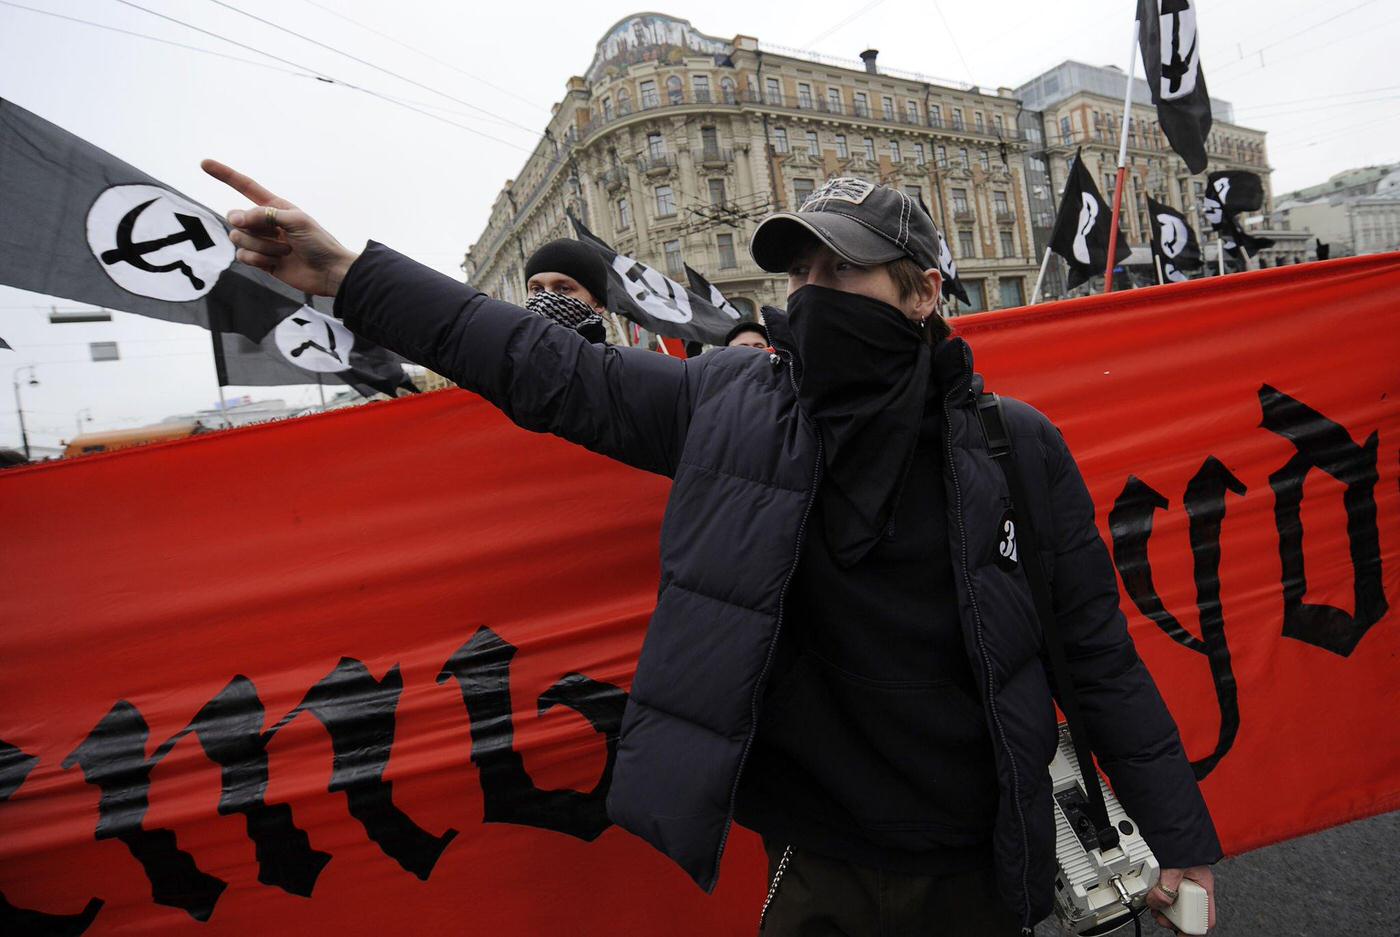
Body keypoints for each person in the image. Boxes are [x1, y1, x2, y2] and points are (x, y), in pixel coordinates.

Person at [204, 161, 1221, 935]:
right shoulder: (731, 402)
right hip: (813, 854)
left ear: (922, 296)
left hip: (977, 857)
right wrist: (346, 275)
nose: (811, 292)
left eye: (843, 270)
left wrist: (1179, 835)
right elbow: (540, 366)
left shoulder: (1016, 445)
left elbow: (1094, 651)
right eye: (800, 270)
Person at [523, 238, 609, 343]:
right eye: (537, 289)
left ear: (598, 303)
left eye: (563, 289)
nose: (545, 301)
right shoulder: (513, 358)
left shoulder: (625, 359)